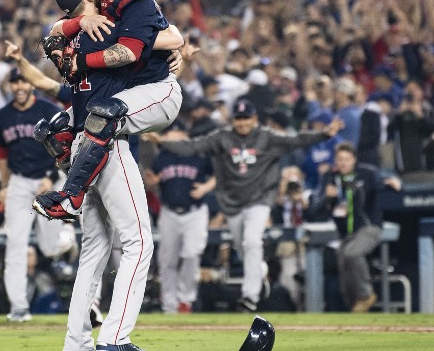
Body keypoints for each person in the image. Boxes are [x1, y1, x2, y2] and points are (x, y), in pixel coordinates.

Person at [33, 0, 181, 351]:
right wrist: (169, 51)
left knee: (95, 251)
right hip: (106, 143)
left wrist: (73, 21)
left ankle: (76, 346)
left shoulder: (72, 36)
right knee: (138, 242)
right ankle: (115, 338)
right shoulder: (104, 27)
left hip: (83, 139)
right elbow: (170, 37)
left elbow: (51, 36)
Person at [145, 98, 342, 312]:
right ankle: (259, 269)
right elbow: (193, 146)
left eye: (246, 118)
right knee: (243, 247)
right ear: (233, 120)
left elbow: (296, 140)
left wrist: (324, 134)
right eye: (238, 118)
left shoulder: (267, 138)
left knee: (251, 242)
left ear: (254, 118)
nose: (242, 123)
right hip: (233, 204)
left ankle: (250, 296)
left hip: (259, 200)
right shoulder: (222, 138)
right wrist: (163, 142)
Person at [33, 0, 183, 220]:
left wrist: (82, 57)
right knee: (58, 129)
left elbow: (172, 37)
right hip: (120, 96)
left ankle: (72, 193)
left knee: (129, 234)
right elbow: (53, 33)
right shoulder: (97, 17)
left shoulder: (134, 5)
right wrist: (82, 21)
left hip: (148, 90)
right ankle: (76, 180)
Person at [0, 67, 73, 323]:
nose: (19, 87)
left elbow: (63, 145)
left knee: (50, 248)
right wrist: (4, 185)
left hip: (46, 178)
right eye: (14, 83)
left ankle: (66, 236)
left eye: (23, 82)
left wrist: (52, 176)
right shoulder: (3, 116)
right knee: (15, 244)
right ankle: (18, 307)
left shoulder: (48, 110)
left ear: (31, 85)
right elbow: (3, 154)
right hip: (18, 182)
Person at [309, 142, 401, 312]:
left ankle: (366, 295)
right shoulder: (329, 177)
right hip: (346, 234)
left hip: (369, 228)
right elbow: (314, 210)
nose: (343, 163)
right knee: (343, 261)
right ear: (335, 161)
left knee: (352, 253)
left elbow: (384, 181)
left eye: (347, 159)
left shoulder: (366, 173)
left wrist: (394, 181)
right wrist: (326, 198)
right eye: (340, 159)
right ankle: (354, 306)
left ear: (354, 160)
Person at [143, 120, 216, 314]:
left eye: (177, 134)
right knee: (168, 261)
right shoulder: (162, 157)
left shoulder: (198, 154)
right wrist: (153, 183)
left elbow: (218, 175)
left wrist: (206, 188)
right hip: (169, 212)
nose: (173, 137)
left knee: (192, 254)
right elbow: (154, 182)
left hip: (195, 212)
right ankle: (169, 305)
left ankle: (186, 300)